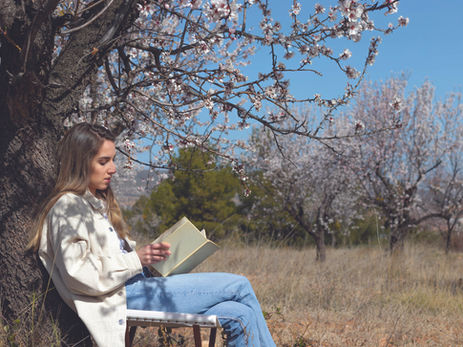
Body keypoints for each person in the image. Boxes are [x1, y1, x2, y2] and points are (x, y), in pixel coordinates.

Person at [28, 123, 275, 347]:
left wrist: (151, 260)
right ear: (80, 163)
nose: (113, 169)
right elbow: (78, 274)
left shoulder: (94, 203)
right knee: (240, 285)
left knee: (240, 313)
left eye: (113, 160)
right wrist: (137, 259)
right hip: (124, 296)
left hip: (138, 287)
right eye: (104, 162)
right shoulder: (67, 207)